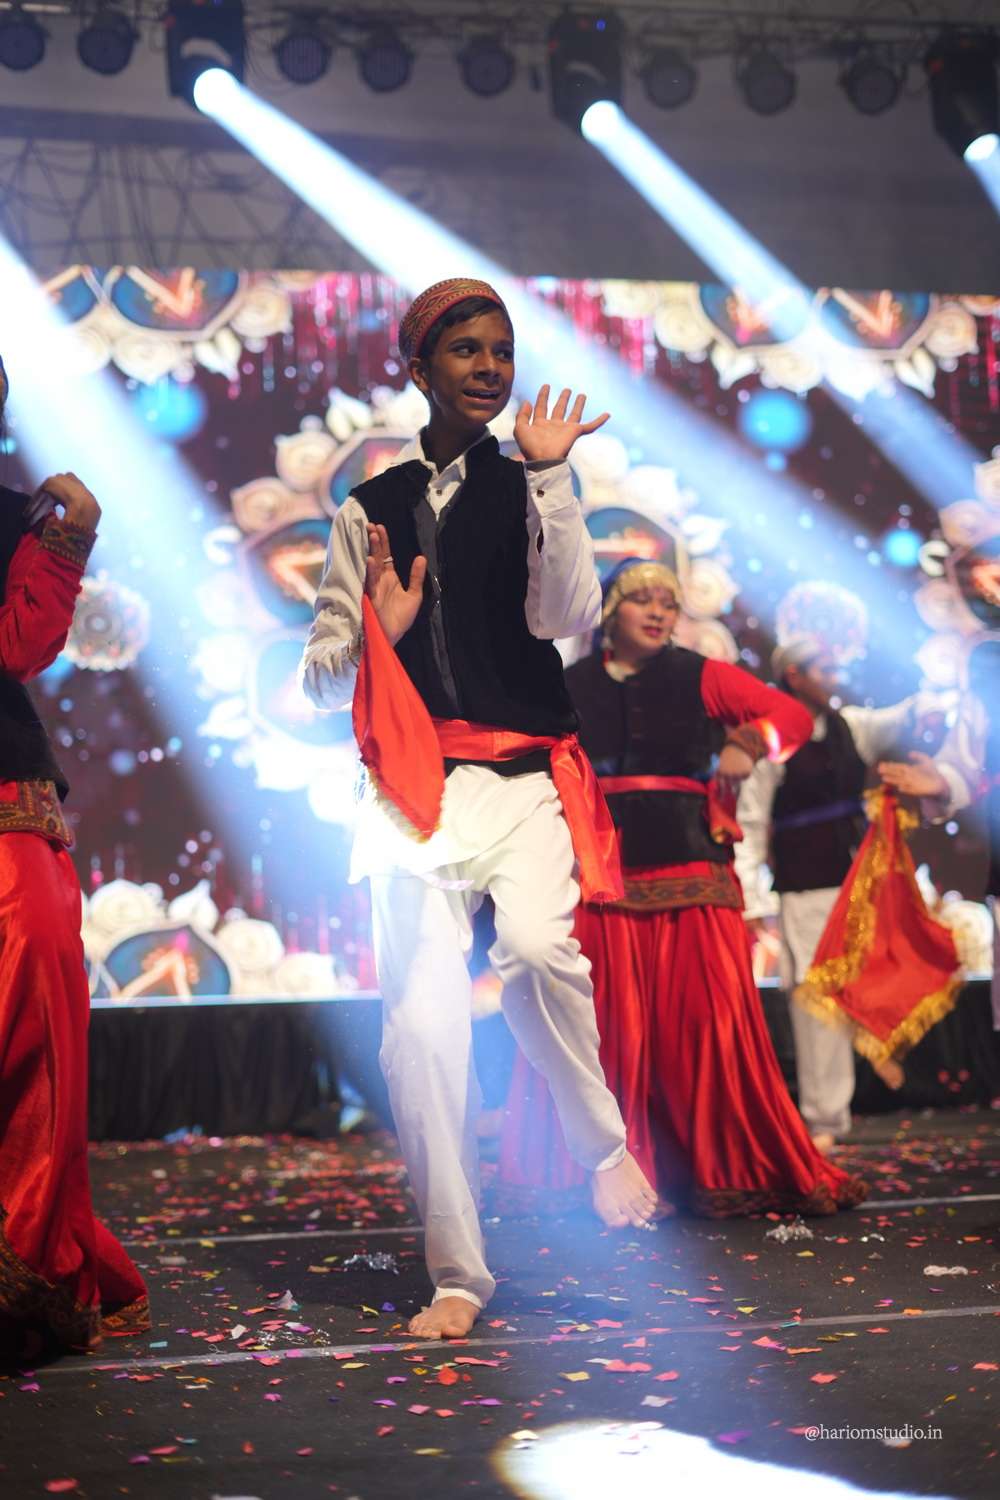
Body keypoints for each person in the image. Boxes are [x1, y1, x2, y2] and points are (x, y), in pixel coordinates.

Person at [301, 278, 656, 1340]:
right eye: (466, 350)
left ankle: (602, 1145)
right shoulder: (366, 509)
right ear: (420, 369)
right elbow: (317, 681)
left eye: (501, 349)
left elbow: (566, 616)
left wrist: (552, 479)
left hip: (523, 775)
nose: (490, 367)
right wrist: (377, 633)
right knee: (421, 1037)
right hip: (410, 789)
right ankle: (458, 1275)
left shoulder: (531, 479)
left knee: (540, 954)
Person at [499, 560, 867, 1217]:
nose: (658, 611)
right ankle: (609, 1174)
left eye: (668, 603)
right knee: (601, 1031)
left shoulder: (702, 674)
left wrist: (749, 740)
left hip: (693, 874)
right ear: (609, 610)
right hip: (600, 876)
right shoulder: (568, 683)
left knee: (705, 1032)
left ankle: (718, 1169)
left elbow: (789, 716)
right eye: (641, 598)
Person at [0, 418, 149, 1355]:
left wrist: (70, 537)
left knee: (28, 1040)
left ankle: (25, 1277)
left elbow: (19, 645)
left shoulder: (18, 520)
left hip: (7, 813)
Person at [735, 636, 931, 1150]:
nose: (834, 677)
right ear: (794, 675)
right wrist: (752, 897)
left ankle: (840, 1107)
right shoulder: (772, 737)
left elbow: (901, 718)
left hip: (852, 881)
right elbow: (750, 820)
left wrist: (939, 675)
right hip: (804, 885)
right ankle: (823, 1117)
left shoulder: (848, 726)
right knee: (814, 996)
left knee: (852, 988)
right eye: (823, 668)